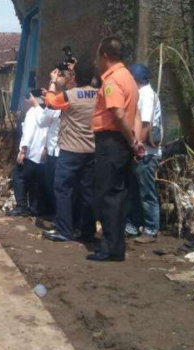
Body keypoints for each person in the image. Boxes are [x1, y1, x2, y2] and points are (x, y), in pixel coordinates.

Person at [87, 37, 143, 262]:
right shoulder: (129, 78)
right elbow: (135, 113)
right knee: (119, 195)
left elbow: (118, 114)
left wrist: (131, 141)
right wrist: (135, 140)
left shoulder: (111, 80)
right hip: (123, 142)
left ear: (105, 56)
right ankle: (116, 246)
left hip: (112, 141)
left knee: (107, 195)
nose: (97, 61)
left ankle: (109, 248)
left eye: (98, 56)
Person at [42, 60, 99, 242]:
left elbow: (50, 102)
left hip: (70, 150)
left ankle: (65, 230)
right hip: (91, 150)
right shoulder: (99, 95)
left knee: (63, 189)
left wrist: (52, 82)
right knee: (87, 192)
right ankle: (87, 231)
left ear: (74, 76)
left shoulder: (69, 96)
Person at [126, 63, 163, 244]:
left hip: (147, 152)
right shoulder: (143, 94)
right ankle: (133, 224)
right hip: (142, 151)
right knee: (135, 189)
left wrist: (137, 145)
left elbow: (146, 124)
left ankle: (151, 228)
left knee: (147, 192)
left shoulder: (147, 96)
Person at [8, 93, 60, 217]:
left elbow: (28, 133)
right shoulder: (48, 112)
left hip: (30, 154)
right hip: (42, 155)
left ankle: (21, 207)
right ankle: (35, 208)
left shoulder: (32, 112)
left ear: (30, 100)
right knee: (35, 183)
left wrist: (23, 151)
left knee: (19, 179)